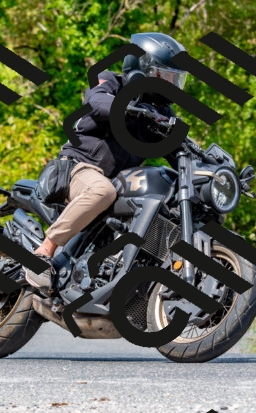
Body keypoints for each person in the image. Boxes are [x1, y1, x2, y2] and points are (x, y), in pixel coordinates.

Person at [24, 32, 189, 292]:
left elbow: (178, 147)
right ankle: (44, 251)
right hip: (79, 167)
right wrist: (132, 111)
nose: (171, 84)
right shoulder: (111, 81)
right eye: (165, 76)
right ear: (143, 68)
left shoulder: (161, 112)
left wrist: (208, 168)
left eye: (174, 79)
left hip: (118, 182)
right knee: (103, 191)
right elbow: (97, 102)